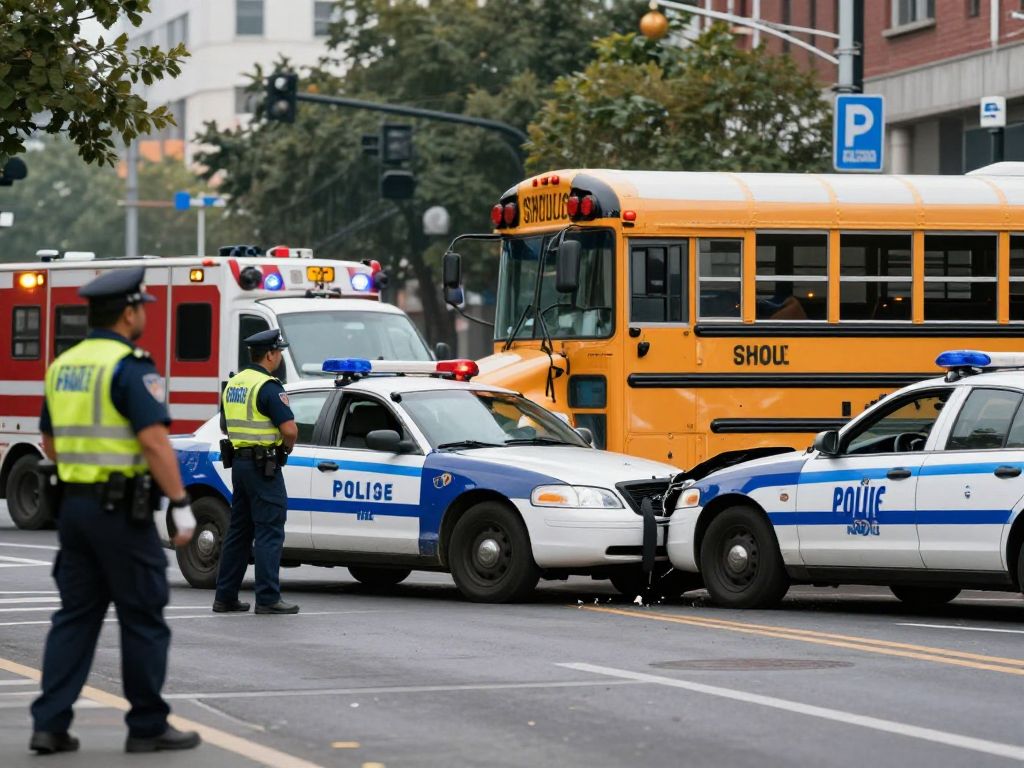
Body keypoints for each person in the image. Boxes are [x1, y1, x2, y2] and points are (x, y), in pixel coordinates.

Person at [30, 267, 201, 755]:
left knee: (75, 617)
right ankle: (147, 726)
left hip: (75, 511)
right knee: (143, 615)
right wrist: (181, 504)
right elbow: (154, 441)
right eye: (141, 307)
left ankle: (49, 725)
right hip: (122, 514)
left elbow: (50, 443)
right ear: (128, 313)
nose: (144, 314)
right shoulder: (130, 366)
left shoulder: (63, 365)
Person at [213, 329, 299, 615]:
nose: (280, 357)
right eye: (279, 352)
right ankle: (267, 598)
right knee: (269, 530)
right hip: (264, 468)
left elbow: (225, 426)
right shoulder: (268, 386)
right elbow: (290, 430)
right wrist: (285, 449)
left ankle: (225, 597)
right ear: (270, 354)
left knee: (239, 531)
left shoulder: (233, 384)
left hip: (240, 465)